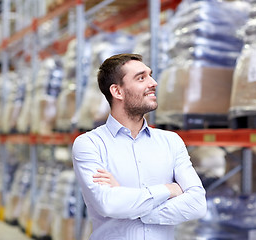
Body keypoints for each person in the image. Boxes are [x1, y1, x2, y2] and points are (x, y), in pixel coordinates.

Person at [72, 53, 207, 240]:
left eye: (150, 75)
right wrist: (169, 190)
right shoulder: (90, 144)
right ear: (117, 92)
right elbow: (108, 205)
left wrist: (131, 205)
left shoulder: (171, 141)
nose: (153, 83)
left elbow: (197, 204)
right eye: (141, 78)